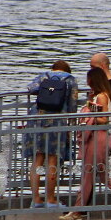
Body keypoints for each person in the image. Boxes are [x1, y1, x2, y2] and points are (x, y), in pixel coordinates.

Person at [61, 68, 111, 220]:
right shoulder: (100, 96)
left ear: (93, 80)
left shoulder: (102, 97)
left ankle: (77, 211)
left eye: (89, 80)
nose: (87, 83)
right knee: (103, 174)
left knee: (89, 175)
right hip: (98, 138)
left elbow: (104, 119)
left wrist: (89, 115)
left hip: (98, 138)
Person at [24, 60, 78, 209]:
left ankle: (36, 200)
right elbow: (73, 104)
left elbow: (31, 88)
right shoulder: (70, 79)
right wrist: (71, 124)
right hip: (56, 121)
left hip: (36, 120)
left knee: (37, 160)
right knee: (53, 160)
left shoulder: (44, 76)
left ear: (53, 68)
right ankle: (51, 200)